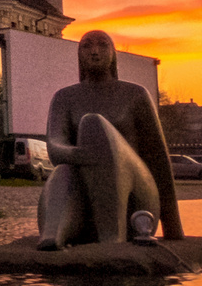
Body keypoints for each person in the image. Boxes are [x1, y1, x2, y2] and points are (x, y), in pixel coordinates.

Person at [37, 31, 184, 249]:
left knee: (93, 124)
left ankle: (112, 236)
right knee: (63, 171)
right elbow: (55, 149)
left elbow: (158, 160)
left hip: (134, 206)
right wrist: (90, 155)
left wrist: (172, 227)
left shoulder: (135, 95)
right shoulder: (64, 97)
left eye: (102, 45)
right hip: (85, 208)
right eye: (87, 46)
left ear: (113, 54)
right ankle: (53, 235)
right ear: (79, 55)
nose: (95, 51)